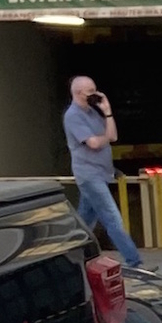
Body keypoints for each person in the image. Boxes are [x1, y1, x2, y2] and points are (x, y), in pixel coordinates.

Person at [63, 74, 140, 263]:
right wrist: (103, 138)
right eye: (91, 91)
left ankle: (69, 256)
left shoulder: (93, 112)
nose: (95, 94)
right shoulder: (73, 116)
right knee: (112, 218)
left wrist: (107, 111)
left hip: (101, 172)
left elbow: (112, 136)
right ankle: (134, 261)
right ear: (79, 93)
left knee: (84, 222)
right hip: (89, 175)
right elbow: (94, 143)